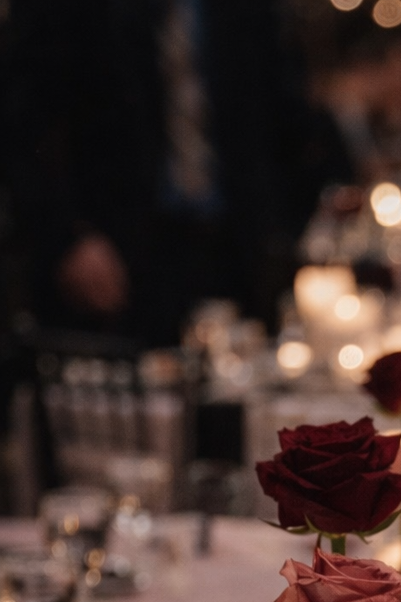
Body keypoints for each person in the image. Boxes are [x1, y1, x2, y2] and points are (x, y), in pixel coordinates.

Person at [7, 0, 350, 345]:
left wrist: (289, 223)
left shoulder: (246, 9)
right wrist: (67, 237)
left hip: (234, 247)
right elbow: (23, 127)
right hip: (120, 251)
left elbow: (285, 115)